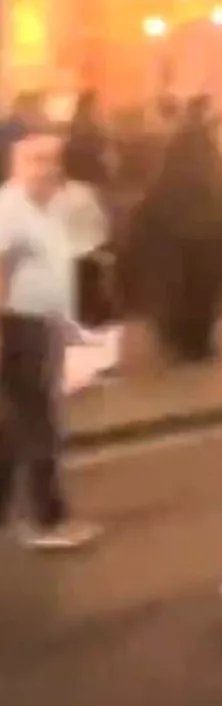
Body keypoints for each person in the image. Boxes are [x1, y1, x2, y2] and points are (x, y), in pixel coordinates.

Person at [0, 128, 103, 550]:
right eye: (37, 159)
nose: (49, 168)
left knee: (15, 425)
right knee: (40, 422)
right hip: (17, 327)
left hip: (39, 324)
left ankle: (9, 512)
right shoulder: (12, 209)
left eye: (53, 159)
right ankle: (47, 520)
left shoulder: (46, 208)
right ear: (17, 162)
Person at [133, 97, 222, 362]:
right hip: (210, 249)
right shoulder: (216, 181)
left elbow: (148, 215)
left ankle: (181, 342)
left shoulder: (168, 180)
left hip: (177, 252)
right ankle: (200, 344)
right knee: (205, 295)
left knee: (180, 295)